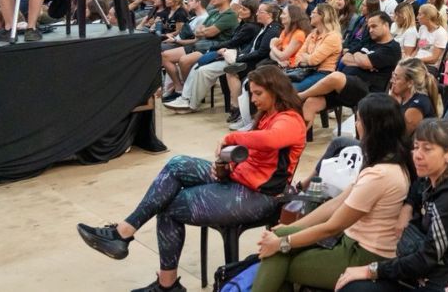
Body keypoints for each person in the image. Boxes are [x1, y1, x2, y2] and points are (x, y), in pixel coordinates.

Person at [76, 66, 307, 292]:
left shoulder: (291, 120)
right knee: (177, 164)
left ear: (276, 91)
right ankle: (124, 232)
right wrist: (228, 166)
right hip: (240, 181)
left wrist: (232, 137)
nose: (253, 99)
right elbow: (256, 157)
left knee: (168, 206)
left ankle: (164, 282)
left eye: (259, 93)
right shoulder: (268, 115)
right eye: (252, 93)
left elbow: (270, 141)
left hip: (261, 197)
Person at [253, 93, 413, 292]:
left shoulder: (380, 174)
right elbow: (335, 203)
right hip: (352, 242)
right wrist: (288, 229)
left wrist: (283, 243)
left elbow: (332, 226)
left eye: (359, 120)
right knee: (278, 240)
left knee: (277, 258)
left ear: (373, 127)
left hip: (364, 254)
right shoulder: (385, 160)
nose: (356, 124)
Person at [336, 119, 448, 292]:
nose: (417, 155)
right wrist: (407, 206)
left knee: (355, 287)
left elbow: (427, 258)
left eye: (427, 149)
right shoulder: (431, 180)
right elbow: (416, 188)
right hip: (426, 276)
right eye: (416, 147)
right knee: (353, 286)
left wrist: (372, 270)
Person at [298, 11, 402, 124]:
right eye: (369, 27)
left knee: (336, 77)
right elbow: (345, 58)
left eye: (374, 26)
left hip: (367, 90)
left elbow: (365, 63)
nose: (370, 30)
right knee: (310, 103)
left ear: (386, 25)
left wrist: (359, 57)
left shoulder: (392, 48)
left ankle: (300, 96)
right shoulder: (368, 41)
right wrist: (361, 60)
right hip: (344, 86)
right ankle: (299, 140)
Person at [388, 58, 440, 136]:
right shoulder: (401, 97)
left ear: (410, 83)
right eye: (393, 76)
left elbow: (399, 137)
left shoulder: (418, 105)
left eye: (397, 78)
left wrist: (392, 106)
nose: (392, 81)